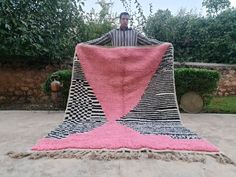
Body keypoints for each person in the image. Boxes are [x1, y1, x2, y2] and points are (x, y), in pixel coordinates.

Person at [84, 12, 161, 47]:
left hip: (132, 63)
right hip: (116, 64)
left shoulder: (135, 33)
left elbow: (148, 41)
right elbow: (99, 41)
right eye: (123, 19)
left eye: (127, 19)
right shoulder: (113, 33)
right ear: (120, 20)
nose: (125, 21)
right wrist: (84, 44)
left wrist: (162, 44)